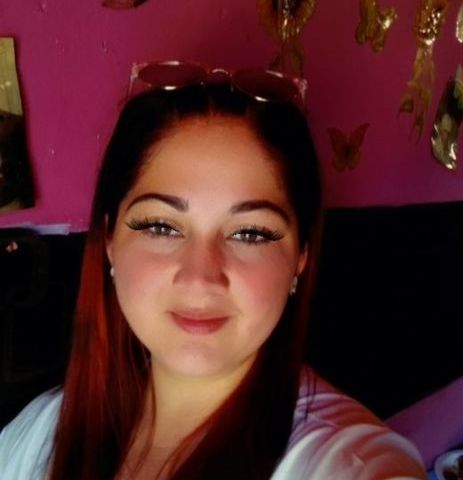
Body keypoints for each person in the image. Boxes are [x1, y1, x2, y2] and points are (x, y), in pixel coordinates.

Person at [0, 63, 427, 480]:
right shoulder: (42, 429)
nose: (200, 278)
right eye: (161, 226)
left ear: (301, 257)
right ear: (110, 240)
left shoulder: (348, 462)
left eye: (251, 233)